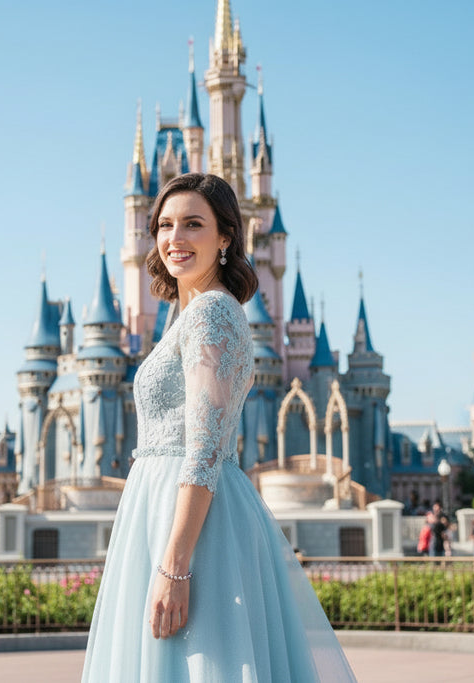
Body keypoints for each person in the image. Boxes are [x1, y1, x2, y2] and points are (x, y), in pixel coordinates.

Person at [82, 173, 356, 681]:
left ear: (225, 236)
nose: (174, 238)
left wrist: (174, 564)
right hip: (167, 511)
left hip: (188, 524)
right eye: (164, 225)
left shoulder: (211, 313)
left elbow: (205, 447)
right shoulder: (187, 316)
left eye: (192, 224)